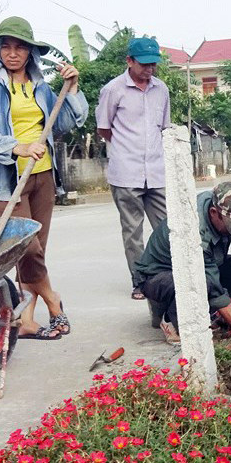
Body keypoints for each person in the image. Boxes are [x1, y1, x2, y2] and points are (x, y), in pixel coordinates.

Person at [0, 16, 88, 340]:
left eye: (19, 47)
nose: (12, 53)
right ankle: (53, 300)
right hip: (7, 182)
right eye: (5, 47)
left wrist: (73, 88)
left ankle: (25, 320)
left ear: (30, 52)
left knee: (38, 251)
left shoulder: (40, 87)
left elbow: (64, 122)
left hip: (42, 176)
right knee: (28, 249)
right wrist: (18, 147)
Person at [135, 182, 231, 349]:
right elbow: (216, 293)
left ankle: (204, 312)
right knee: (206, 284)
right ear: (214, 213)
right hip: (157, 275)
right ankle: (171, 319)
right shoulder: (196, 233)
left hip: (198, 267)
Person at [96, 37, 171, 301]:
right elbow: (104, 129)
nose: (149, 70)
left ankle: (169, 278)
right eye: (144, 64)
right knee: (133, 231)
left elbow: (164, 127)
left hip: (157, 171)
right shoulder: (113, 90)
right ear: (129, 61)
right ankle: (140, 282)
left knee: (166, 228)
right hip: (126, 172)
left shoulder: (161, 89)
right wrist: (126, 149)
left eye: (153, 65)